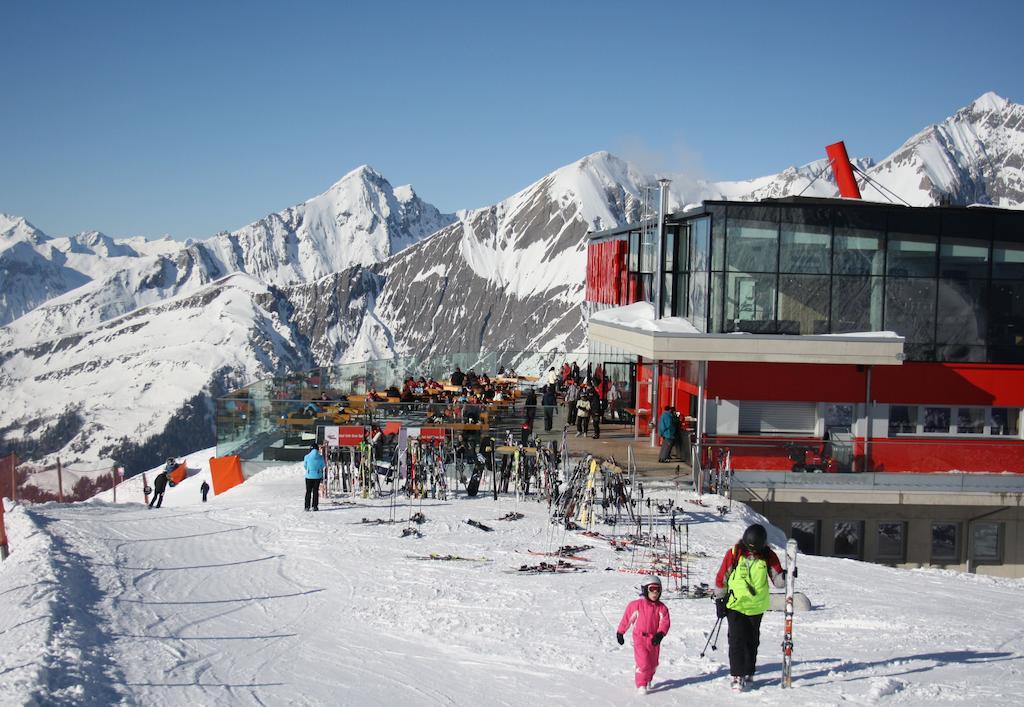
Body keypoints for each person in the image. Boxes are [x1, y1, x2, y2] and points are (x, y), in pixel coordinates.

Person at [713, 524, 785, 692]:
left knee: (752, 641)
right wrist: (719, 600)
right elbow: (722, 576)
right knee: (736, 640)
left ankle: (749, 671)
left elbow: (778, 581)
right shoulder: (735, 553)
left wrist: (787, 576)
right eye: (749, 548)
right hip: (736, 604)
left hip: (756, 607)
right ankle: (737, 675)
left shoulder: (768, 555)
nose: (751, 551)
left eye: (755, 549)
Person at [616, 576, 671, 694]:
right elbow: (627, 619)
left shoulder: (662, 608)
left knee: (653, 663)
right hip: (640, 638)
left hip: (654, 639)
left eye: (658, 590)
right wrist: (620, 632)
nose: (655, 593)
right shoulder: (636, 605)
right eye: (652, 589)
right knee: (643, 662)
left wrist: (660, 634)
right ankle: (641, 684)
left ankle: (648, 678)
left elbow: (665, 622)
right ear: (645, 590)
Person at [303, 443, 326, 511]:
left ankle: (307, 506)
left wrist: (309, 469)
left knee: (308, 491)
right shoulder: (320, 457)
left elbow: (305, 466)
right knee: (315, 491)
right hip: (317, 476)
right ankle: (315, 506)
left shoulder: (306, 456)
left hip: (309, 475)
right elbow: (323, 465)